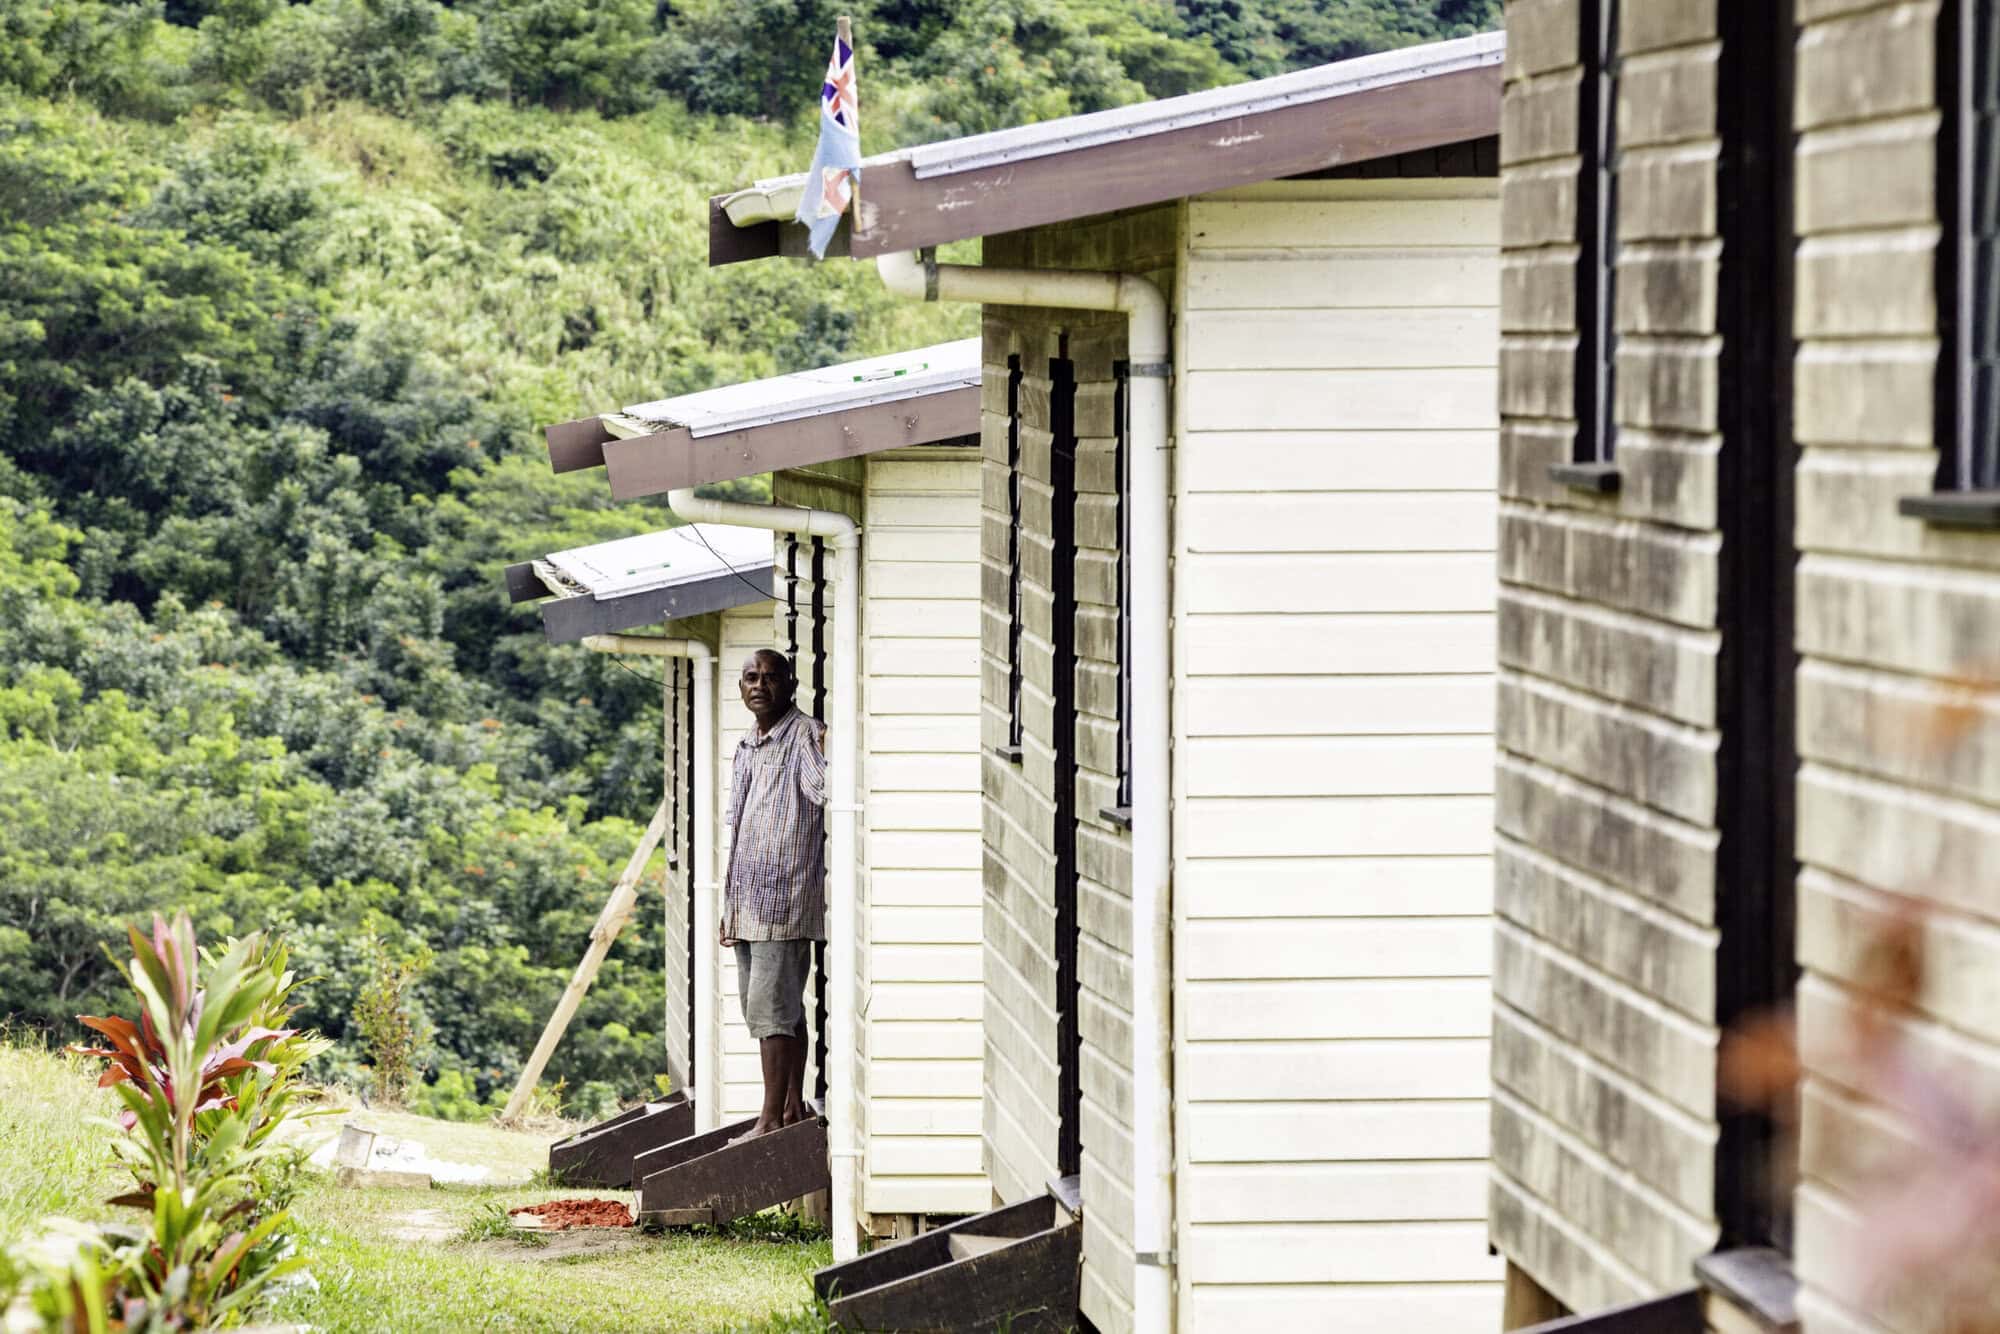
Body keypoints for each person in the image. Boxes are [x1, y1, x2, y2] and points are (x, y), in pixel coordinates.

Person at [721, 649, 827, 1142]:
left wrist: (830, 746)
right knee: (772, 1009)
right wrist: (729, 907)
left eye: (769, 677)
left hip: (784, 900)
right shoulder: (749, 744)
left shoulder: (803, 735)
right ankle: (790, 1109)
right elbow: (739, 829)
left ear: (790, 684)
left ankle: (768, 1122)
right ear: (741, 687)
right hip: (748, 902)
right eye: (750, 678)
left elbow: (825, 789)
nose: (759, 686)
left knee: (771, 1013)